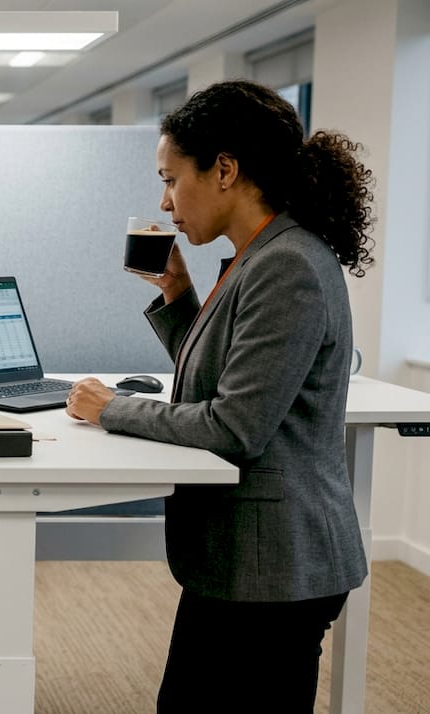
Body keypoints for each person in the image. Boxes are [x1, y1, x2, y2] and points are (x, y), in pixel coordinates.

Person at [65, 79, 374, 713]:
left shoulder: (287, 265)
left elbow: (235, 426)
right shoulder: (254, 256)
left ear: (225, 170)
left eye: (172, 179)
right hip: (254, 562)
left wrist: (110, 409)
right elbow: (218, 380)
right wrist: (179, 297)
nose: (166, 201)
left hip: (277, 566)